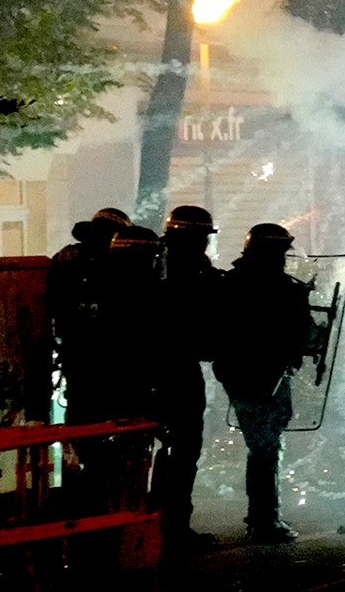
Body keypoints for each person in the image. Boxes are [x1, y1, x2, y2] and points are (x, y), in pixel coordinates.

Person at [48, 208, 162, 511]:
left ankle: (85, 520)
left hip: (82, 375)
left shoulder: (73, 266)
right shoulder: (130, 286)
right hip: (113, 386)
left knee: (88, 451)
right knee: (109, 459)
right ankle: (107, 520)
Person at [211, 223, 311, 544]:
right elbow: (301, 334)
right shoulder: (283, 290)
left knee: (262, 446)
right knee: (265, 447)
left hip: (239, 376)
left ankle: (263, 517)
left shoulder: (229, 284)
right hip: (267, 376)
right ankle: (264, 520)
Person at [152, 206, 223, 555]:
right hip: (178, 370)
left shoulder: (152, 264)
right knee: (183, 451)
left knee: (145, 451)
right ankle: (173, 526)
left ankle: (144, 523)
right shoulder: (193, 272)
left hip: (141, 369)